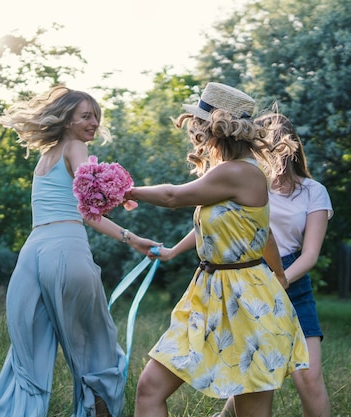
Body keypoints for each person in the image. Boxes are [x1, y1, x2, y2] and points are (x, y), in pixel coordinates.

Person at [125, 82, 309, 417]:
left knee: (249, 411)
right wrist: (279, 277)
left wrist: (125, 189)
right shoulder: (231, 173)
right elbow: (262, 234)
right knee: (150, 388)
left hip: (246, 302)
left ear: (215, 128)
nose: (194, 129)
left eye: (199, 123)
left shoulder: (238, 172)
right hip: (210, 294)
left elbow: (172, 197)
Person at [0, 85, 160, 417]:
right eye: (86, 116)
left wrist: (131, 237)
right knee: (98, 351)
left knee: (27, 361)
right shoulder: (75, 147)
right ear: (67, 121)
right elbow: (90, 193)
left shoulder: (45, 157)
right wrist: (120, 192)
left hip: (32, 254)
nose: (93, 123)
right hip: (66, 250)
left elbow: (85, 209)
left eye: (96, 116)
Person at [219, 111, 334, 417]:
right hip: (250, 276)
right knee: (254, 376)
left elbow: (310, 255)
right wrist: (171, 251)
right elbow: (213, 222)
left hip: (292, 282)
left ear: (289, 147)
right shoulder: (249, 183)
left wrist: (278, 282)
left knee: (309, 377)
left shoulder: (314, 192)